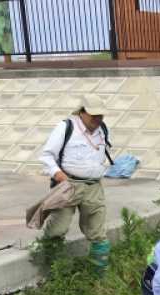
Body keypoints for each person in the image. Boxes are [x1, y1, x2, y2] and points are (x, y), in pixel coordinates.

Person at [39, 95, 113, 275]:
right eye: (93, 115)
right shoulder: (66, 127)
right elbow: (46, 156)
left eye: (100, 115)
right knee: (58, 228)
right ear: (82, 112)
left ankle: (99, 277)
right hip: (68, 184)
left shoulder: (102, 129)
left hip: (93, 186)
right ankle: (52, 271)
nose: (97, 119)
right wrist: (59, 175)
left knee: (98, 233)